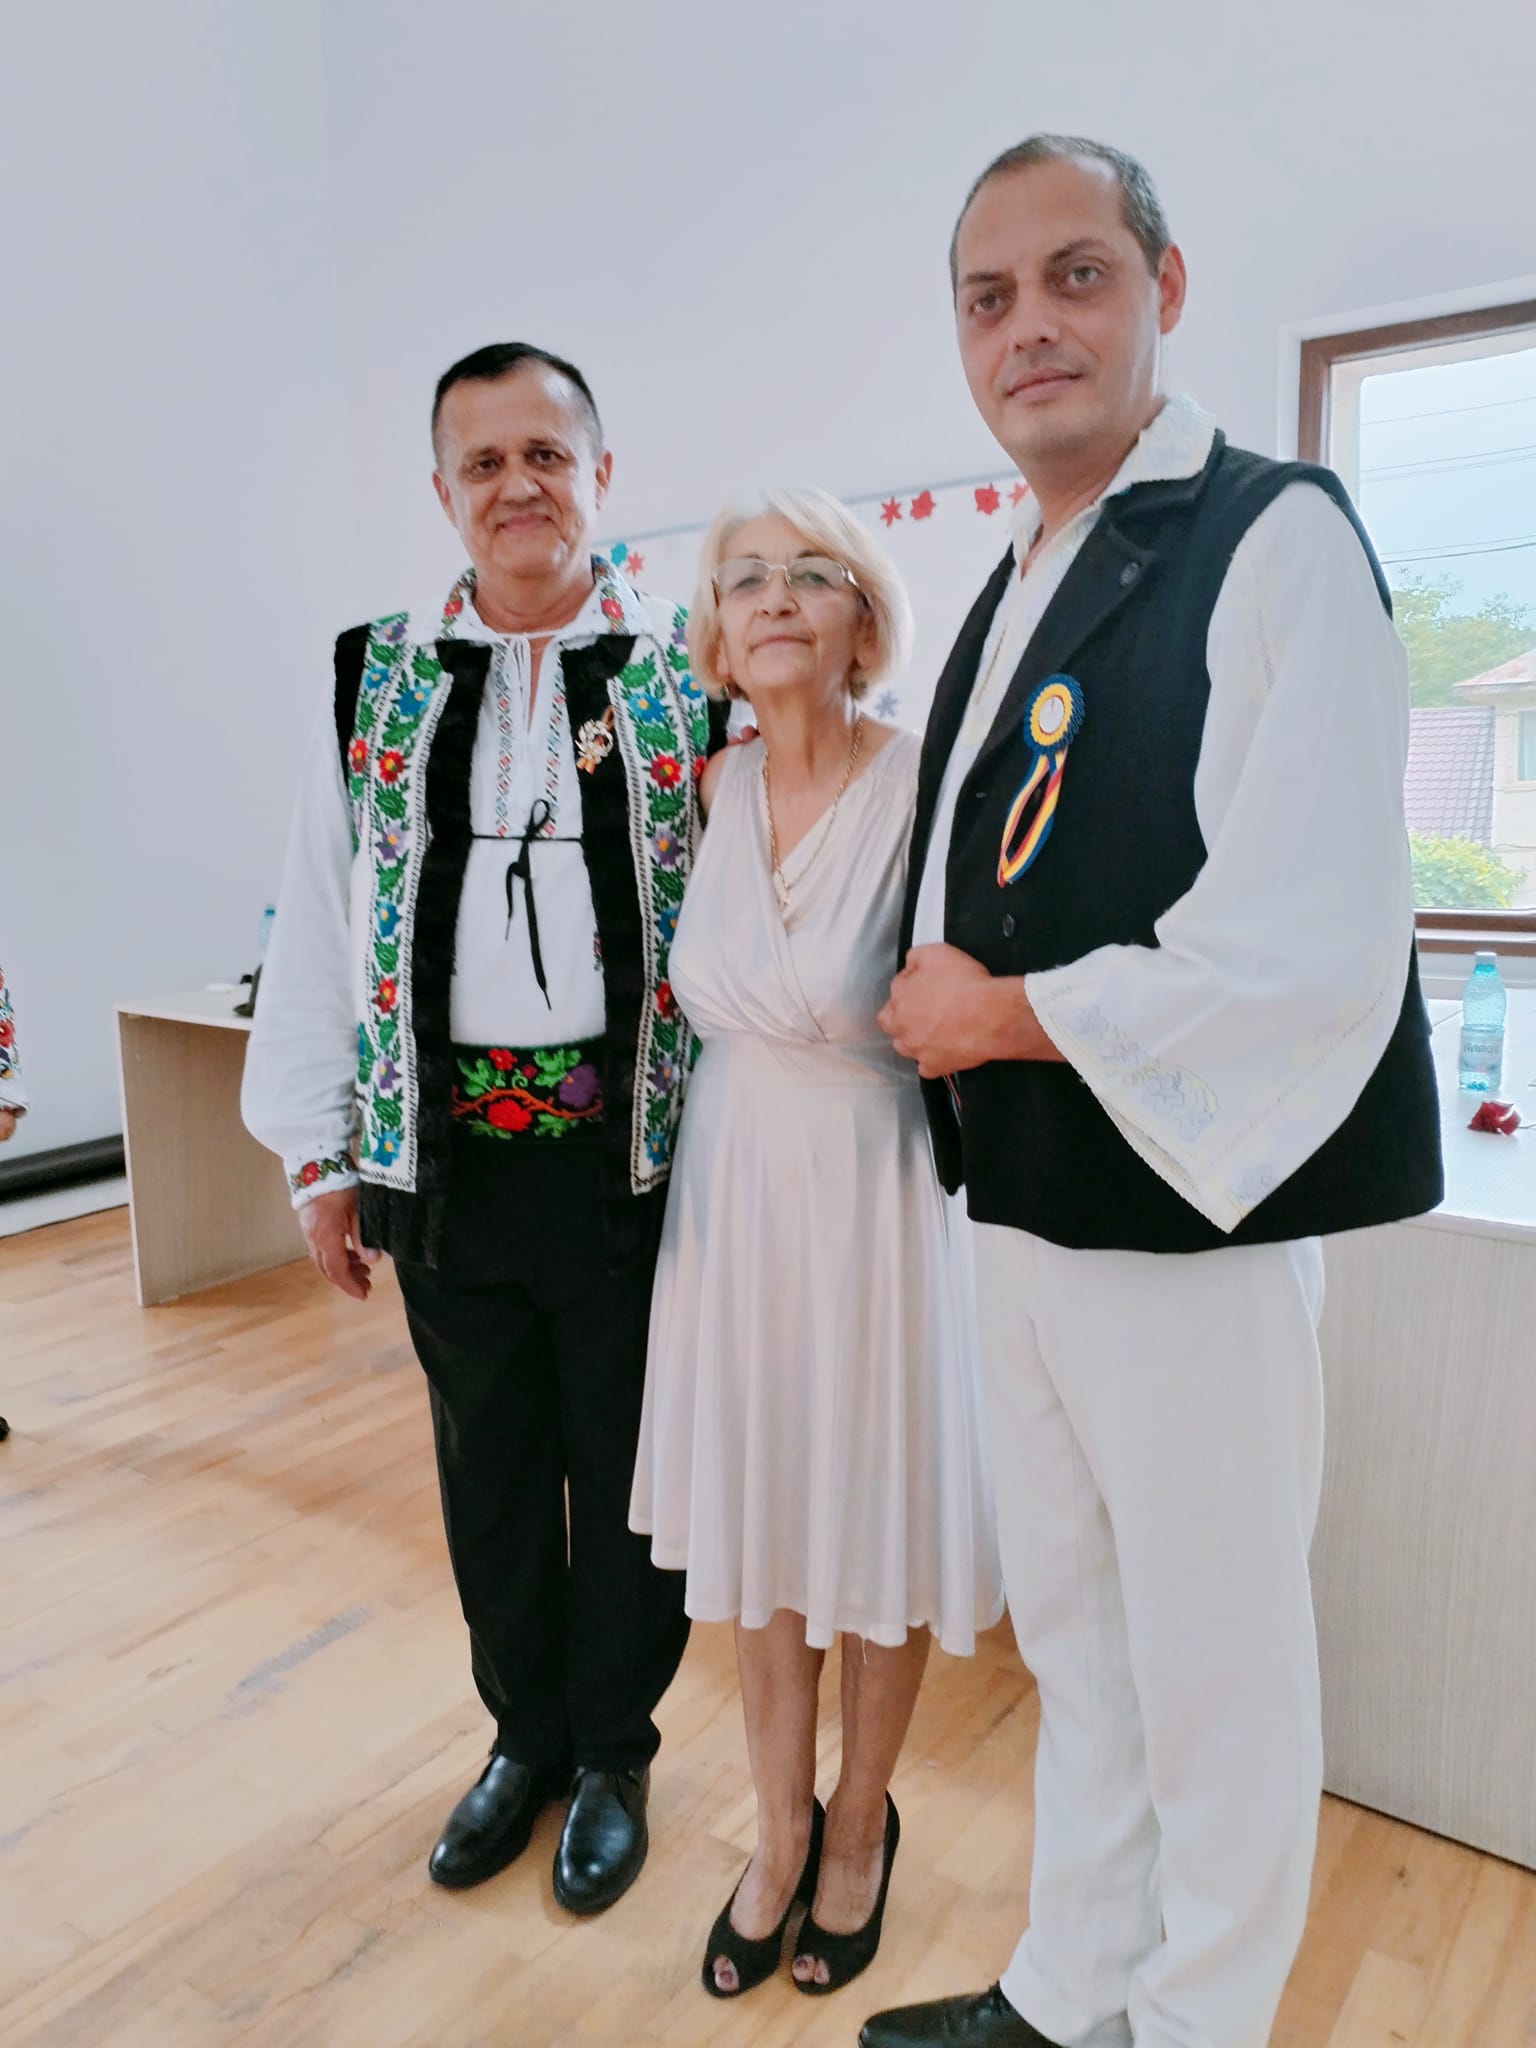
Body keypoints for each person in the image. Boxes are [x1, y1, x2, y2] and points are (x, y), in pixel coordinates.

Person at [863, 137, 1442, 2048]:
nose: (1029, 327)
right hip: (1023, 1203)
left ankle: (1198, 2022)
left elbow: (1319, 935)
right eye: (989, 297)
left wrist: (1005, 1014)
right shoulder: (1022, 570)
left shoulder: (1274, 536)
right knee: (1082, 1636)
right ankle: (1071, 1986)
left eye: (1078, 275)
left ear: (1166, 290)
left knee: (1217, 1661)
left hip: (1194, 1209)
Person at [244, 342, 725, 1916]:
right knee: (491, 1469)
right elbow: (322, 919)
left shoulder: (687, 670)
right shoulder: (373, 674)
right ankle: (524, 1739)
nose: (519, 485)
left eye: (547, 453)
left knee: (628, 1470)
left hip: (632, 1157)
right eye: (485, 462)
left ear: (602, 472)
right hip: (446, 1157)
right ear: (443, 491)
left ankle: (614, 1754)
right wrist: (321, 1156)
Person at [629, 488, 1003, 2002]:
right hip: (731, 1195)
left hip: (874, 1194)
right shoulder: (707, 792)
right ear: (716, 638)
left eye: (809, 572)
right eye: (743, 579)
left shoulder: (926, 783)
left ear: (864, 621)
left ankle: (861, 1824)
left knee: (874, 1520)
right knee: (762, 1519)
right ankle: (779, 1829)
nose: (772, 595)